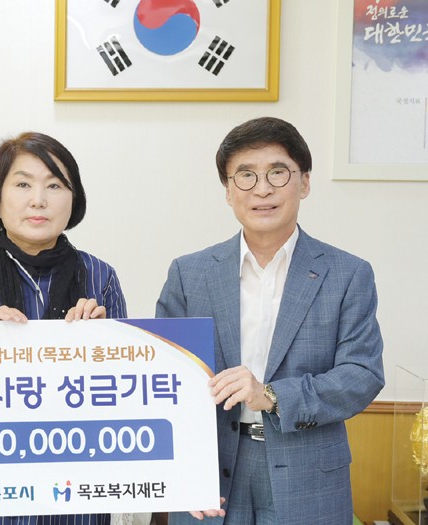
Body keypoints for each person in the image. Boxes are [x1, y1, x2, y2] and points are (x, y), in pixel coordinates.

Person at [156, 117, 384, 525]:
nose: (262, 189)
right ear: (228, 191)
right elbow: (167, 378)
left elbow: (361, 375)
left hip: (308, 474)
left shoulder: (348, 274)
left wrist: (272, 396)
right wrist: (180, 472)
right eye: (246, 175)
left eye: (278, 173)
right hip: (211, 473)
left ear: (305, 182)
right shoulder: (189, 274)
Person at [0, 131, 127, 525]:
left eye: (55, 185)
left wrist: (103, 346)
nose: (39, 199)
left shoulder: (100, 277)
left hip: (75, 495)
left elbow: (127, 395)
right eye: (22, 184)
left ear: (73, 200)